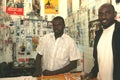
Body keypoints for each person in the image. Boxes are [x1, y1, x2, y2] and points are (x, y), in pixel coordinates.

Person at [83, 3, 120, 80]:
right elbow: (98, 61)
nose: (103, 17)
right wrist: (92, 74)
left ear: (115, 14)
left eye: (107, 13)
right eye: (101, 14)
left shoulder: (118, 32)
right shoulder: (98, 34)